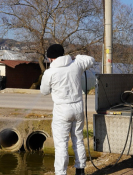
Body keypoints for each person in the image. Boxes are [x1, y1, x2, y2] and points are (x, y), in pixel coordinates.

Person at [40, 44, 95, 175]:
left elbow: (44, 91)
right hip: (78, 108)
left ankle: (61, 173)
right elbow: (91, 60)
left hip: (62, 110)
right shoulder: (76, 64)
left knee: (61, 145)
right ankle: (80, 171)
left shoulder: (50, 72)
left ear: (51, 58)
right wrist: (75, 57)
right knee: (78, 140)